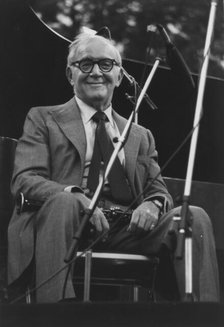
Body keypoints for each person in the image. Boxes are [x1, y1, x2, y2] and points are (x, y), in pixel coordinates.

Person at [7, 31, 220, 303]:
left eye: (106, 64)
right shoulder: (42, 119)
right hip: (68, 224)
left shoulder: (140, 134)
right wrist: (76, 196)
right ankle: (55, 314)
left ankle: (203, 315)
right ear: (70, 75)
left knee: (193, 217)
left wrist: (153, 205)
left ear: (119, 76)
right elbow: (26, 180)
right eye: (85, 64)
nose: (96, 72)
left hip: (126, 230)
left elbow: (159, 191)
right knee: (64, 202)